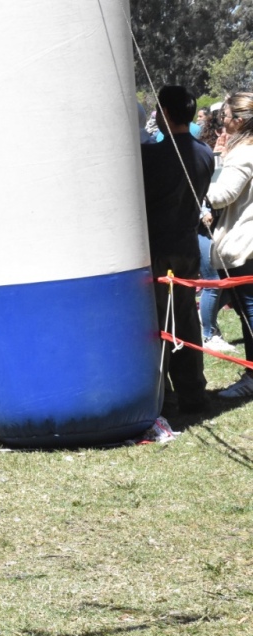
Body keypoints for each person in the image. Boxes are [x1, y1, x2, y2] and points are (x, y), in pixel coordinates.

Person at [141, 85, 214, 413]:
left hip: (157, 248)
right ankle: (193, 392)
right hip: (187, 246)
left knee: (157, 322)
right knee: (185, 318)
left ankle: (165, 396)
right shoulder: (206, 153)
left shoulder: (151, 157)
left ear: (164, 114)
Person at [205, 91, 253, 398]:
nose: (221, 122)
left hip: (247, 242)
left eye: (224, 117)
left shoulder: (245, 153)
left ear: (238, 121)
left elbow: (223, 195)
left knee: (250, 310)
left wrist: (198, 194)